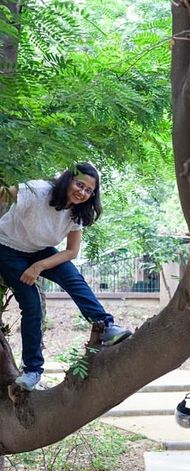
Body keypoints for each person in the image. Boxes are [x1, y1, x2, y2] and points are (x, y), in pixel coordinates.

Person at [0, 162, 132, 391]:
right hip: (8, 247)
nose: (82, 192)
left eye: (89, 190)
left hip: (39, 250)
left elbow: (71, 251)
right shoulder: (38, 190)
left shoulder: (77, 212)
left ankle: (106, 325)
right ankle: (33, 370)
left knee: (73, 278)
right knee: (31, 305)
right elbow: (3, 193)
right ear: (68, 180)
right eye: (79, 184)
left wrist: (39, 265)